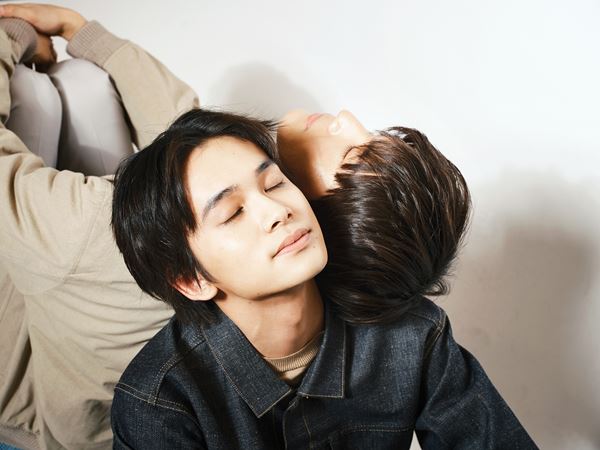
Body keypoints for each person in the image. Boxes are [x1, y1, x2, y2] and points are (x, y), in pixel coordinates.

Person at [0, 4, 536, 449]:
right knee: (62, 96)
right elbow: (187, 135)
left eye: (277, 184)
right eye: (235, 210)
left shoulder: (215, 204)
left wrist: (29, 33)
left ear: (318, 208)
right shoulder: (158, 390)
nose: (344, 117)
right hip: (48, 389)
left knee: (72, 93)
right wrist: (77, 31)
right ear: (192, 278)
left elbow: (187, 138)